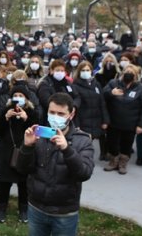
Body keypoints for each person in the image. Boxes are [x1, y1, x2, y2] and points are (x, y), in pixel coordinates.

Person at [15, 93, 95, 236]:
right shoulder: (39, 135)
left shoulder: (82, 140)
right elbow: (22, 169)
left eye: (60, 113)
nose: (55, 117)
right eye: (52, 112)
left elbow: (84, 173)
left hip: (64, 213)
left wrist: (67, 149)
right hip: (36, 207)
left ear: (71, 114)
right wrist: (27, 147)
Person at [0, 84, 37, 224]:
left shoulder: (31, 112)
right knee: (3, 184)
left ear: (26, 99)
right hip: (6, 152)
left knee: (24, 184)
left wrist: (26, 119)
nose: (18, 98)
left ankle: (23, 211)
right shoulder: (6, 110)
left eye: (21, 96)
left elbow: (37, 131)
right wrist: (5, 118)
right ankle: (1, 210)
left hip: (24, 152)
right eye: (15, 96)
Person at [103, 64, 142, 174]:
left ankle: (122, 163)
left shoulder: (141, 88)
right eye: (126, 72)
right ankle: (113, 162)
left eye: (131, 72)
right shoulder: (113, 83)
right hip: (113, 122)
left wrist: (141, 125)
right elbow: (103, 95)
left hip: (131, 124)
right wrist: (111, 93)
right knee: (112, 143)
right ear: (122, 73)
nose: (128, 74)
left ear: (136, 75)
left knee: (127, 144)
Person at [72, 61, 110, 161]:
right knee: (85, 142)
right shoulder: (75, 86)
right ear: (79, 72)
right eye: (83, 70)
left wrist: (105, 120)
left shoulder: (96, 84)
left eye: (88, 70)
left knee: (101, 137)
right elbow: (77, 107)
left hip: (97, 118)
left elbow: (102, 103)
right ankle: (82, 160)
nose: (85, 72)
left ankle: (103, 154)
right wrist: (77, 124)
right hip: (84, 120)